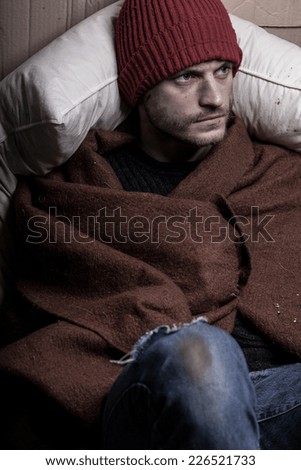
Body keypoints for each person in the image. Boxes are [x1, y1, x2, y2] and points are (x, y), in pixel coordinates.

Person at [0, 0, 301, 450]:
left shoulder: (276, 175)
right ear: (141, 85)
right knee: (200, 352)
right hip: (147, 400)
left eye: (223, 71)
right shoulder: (73, 190)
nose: (215, 97)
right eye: (187, 76)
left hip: (277, 401)